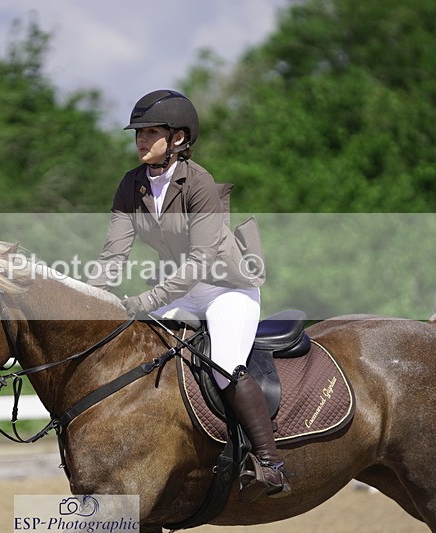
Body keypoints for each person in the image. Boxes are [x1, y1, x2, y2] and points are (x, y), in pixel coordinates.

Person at [88, 89, 289, 501]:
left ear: (178, 138)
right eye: (137, 133)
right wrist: (89, 297)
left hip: (225, 288)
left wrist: (146, 301)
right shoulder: (132, 185)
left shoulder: (200, 184)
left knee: (224, 363)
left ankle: (270, 464)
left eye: (151, 132)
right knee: (133, 346)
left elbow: (200, 261)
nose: (141, 140)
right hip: (179, 290)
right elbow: (113, 254)